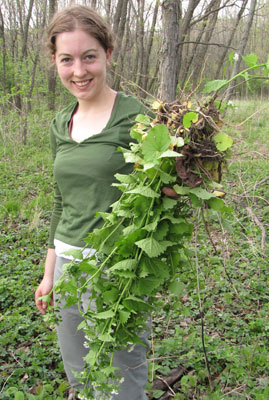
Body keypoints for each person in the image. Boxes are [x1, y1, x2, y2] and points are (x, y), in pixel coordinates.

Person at [35, 5, 150, 400]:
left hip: (116, 268)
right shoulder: (59, 123)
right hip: (68, 264)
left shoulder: (137, 116)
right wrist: (50, 273)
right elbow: (59, 200)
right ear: (55, 61)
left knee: (123, 373)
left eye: (89, 57)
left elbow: (163, 193)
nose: (79, 71)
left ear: (108, 55)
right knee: (79, 371)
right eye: (67, 59)